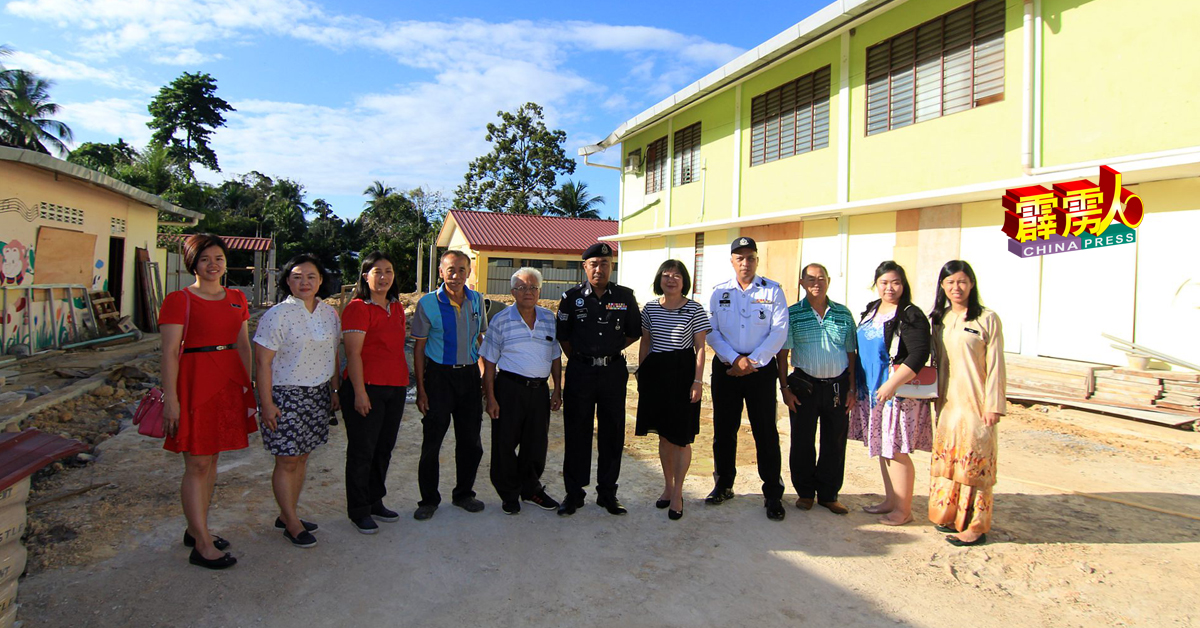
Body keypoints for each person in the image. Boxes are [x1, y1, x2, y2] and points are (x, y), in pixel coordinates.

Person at [159, 233, 257, 570]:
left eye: (218, 258)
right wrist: (170, 399)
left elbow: (242, 344)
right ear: (193, 264)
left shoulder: (236, 298)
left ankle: (196, 527)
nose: (213, 265)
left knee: (212, 459)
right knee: (197, 463)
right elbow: (170, 353)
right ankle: (201, 543)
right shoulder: (179, 299)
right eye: (204, 259)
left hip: (228, 382)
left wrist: (249, 388)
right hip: (194, 383)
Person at [253, 254, 341, 548]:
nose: (304, 282)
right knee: (287, 459)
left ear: (321, 281)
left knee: (303, 456)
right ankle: (291, 522)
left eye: (311, 277)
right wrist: (266, 403)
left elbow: (333, 354)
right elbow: (263, 364)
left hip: (317, 393)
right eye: (297, 277)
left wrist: (333, 391)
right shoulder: (277, 315)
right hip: (286, 394)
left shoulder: (329, 314)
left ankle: (287, 512)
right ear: (286, 281)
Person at [706, 236, 789, 521]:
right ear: (732, 261)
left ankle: (773, 492)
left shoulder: (773, 291)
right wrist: (734, 359)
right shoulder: (719, 292)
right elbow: (712, 330)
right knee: (724, 430)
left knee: (765, 431)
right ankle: (724, 483)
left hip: (760, 371)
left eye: (750, 257)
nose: (745, 263)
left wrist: (751, 361)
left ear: (757, 260)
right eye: (739, 258)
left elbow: (779, 332)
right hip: (727, 369)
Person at [556, 242, 640, 516]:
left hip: (612, 373)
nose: (599, 269)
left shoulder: (625, 297)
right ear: (585, 267)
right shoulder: (570, 298)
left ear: (611, 266)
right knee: (577, 432)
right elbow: (564, 337)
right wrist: (585, 357)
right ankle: (574, 493)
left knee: (612, 433)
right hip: (580, 373)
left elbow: (633, 333)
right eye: (594, 264)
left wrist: (607, 352)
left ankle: (607, 493)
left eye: (605, 264)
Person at [927, 260, 1005, 546]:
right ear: (943, 287)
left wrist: (993, 404)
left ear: (971, 284)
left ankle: (975, 526)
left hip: (977, 403)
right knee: (949, 459)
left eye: (961, 281)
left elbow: (997, 365)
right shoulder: (940, 319)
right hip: (947, 403)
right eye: (949, 283)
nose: (955, 287)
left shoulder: (986, 319)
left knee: (975, 463)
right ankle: (948, 515)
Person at [848, 261, 932, 526]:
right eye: (884, 282)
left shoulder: (910, 314)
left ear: (903, 285)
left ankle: (903, 509)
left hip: (895, 393)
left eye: (895, 282)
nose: (889, 288)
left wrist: (892, 384)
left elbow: (919, 354)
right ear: (877, 284)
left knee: (895, 448)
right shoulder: (872, 309)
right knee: (883, 447)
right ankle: (890, 500)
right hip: (871, 390)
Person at [411, 250, 488, 520]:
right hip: (439, 378)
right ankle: (428, 500)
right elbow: (418, 349)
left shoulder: (477, 300)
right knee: (432, 441)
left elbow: (480, 340)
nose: (456, 276)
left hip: (468, 378)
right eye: (450, 270)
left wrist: (484, 379)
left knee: (471, 441)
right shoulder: (428, 303)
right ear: (441, 272)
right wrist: (421, 389)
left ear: (469, 273)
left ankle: (464, 494)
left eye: (461, 270)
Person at [481, 268, 563, 515]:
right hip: (509, 389)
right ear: (512, 292)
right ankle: (509, 494)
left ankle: (530, 490)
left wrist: (557, 389)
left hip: (539, 391)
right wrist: (491, 397)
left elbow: (556, 357)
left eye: (533, 287)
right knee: (504, 444)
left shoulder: (549, 318)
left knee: (536, 444)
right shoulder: (500, 320)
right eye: (522, 288)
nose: (528, 292)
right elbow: (489, 362)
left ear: (540, 291)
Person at [778, 262, 857, 515]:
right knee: (802, 440)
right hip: (804, 385)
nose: (816, 282)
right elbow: (783, 353)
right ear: (801, 283)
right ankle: (805, 492)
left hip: (837, 386)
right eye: (810, 278)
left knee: (834, 441)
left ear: (829, 281)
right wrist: (784, 388)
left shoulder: (843, 314)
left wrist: (852, 388)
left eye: (821, 278)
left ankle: (829, 494)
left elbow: (851, 353)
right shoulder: (792, 314)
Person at [340, 251, 410, 535]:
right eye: (377, 271)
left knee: (383, 449)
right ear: (365, 276)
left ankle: (374, 499)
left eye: (388, 271)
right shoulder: (358, 308)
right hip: (366, 387)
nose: (383, 277)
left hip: (395, 387)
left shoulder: (398, 307)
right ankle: (358, 509)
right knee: (362, 450)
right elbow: (353, 354)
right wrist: (359, 392)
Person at [636, 260, 710, 521]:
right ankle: (667, 486)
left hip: (683, 373)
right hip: (656, 373)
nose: (671, 280)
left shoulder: (695, 309)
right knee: (664, 436)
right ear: (660, 280)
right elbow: (646, 341)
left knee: (681, 437)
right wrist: (641, 375)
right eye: (666, 275)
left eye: (676, 276)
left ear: (684, 281)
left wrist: (698, 381)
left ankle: (678, 492)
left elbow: (701, 348)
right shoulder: (650, 308)